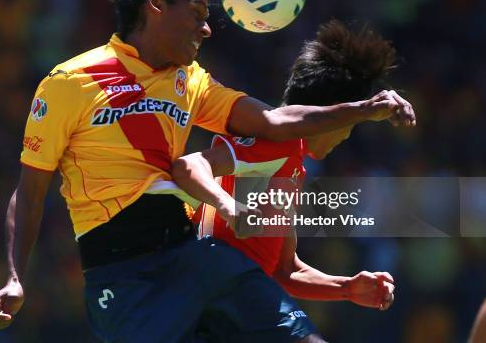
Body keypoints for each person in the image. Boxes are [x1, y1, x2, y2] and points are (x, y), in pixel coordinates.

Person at [0, 0, 415, 342]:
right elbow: (29, 193)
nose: (207, 29)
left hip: (195, 257)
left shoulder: (192, 82)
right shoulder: (69, 82)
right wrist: (15, 276)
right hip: (122, 276)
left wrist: (366, 107)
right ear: (156, 5)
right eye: (197, 14)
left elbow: (274, 120)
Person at [172, 20, 402, 337]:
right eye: (348, 124)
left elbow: (283, 269)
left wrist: (347, 288)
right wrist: (228, 206)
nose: (346, 136)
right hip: (219, 295)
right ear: (330, 114)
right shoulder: (276, 144)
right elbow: (190, 166)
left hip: (234, 306)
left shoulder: (293, 165)